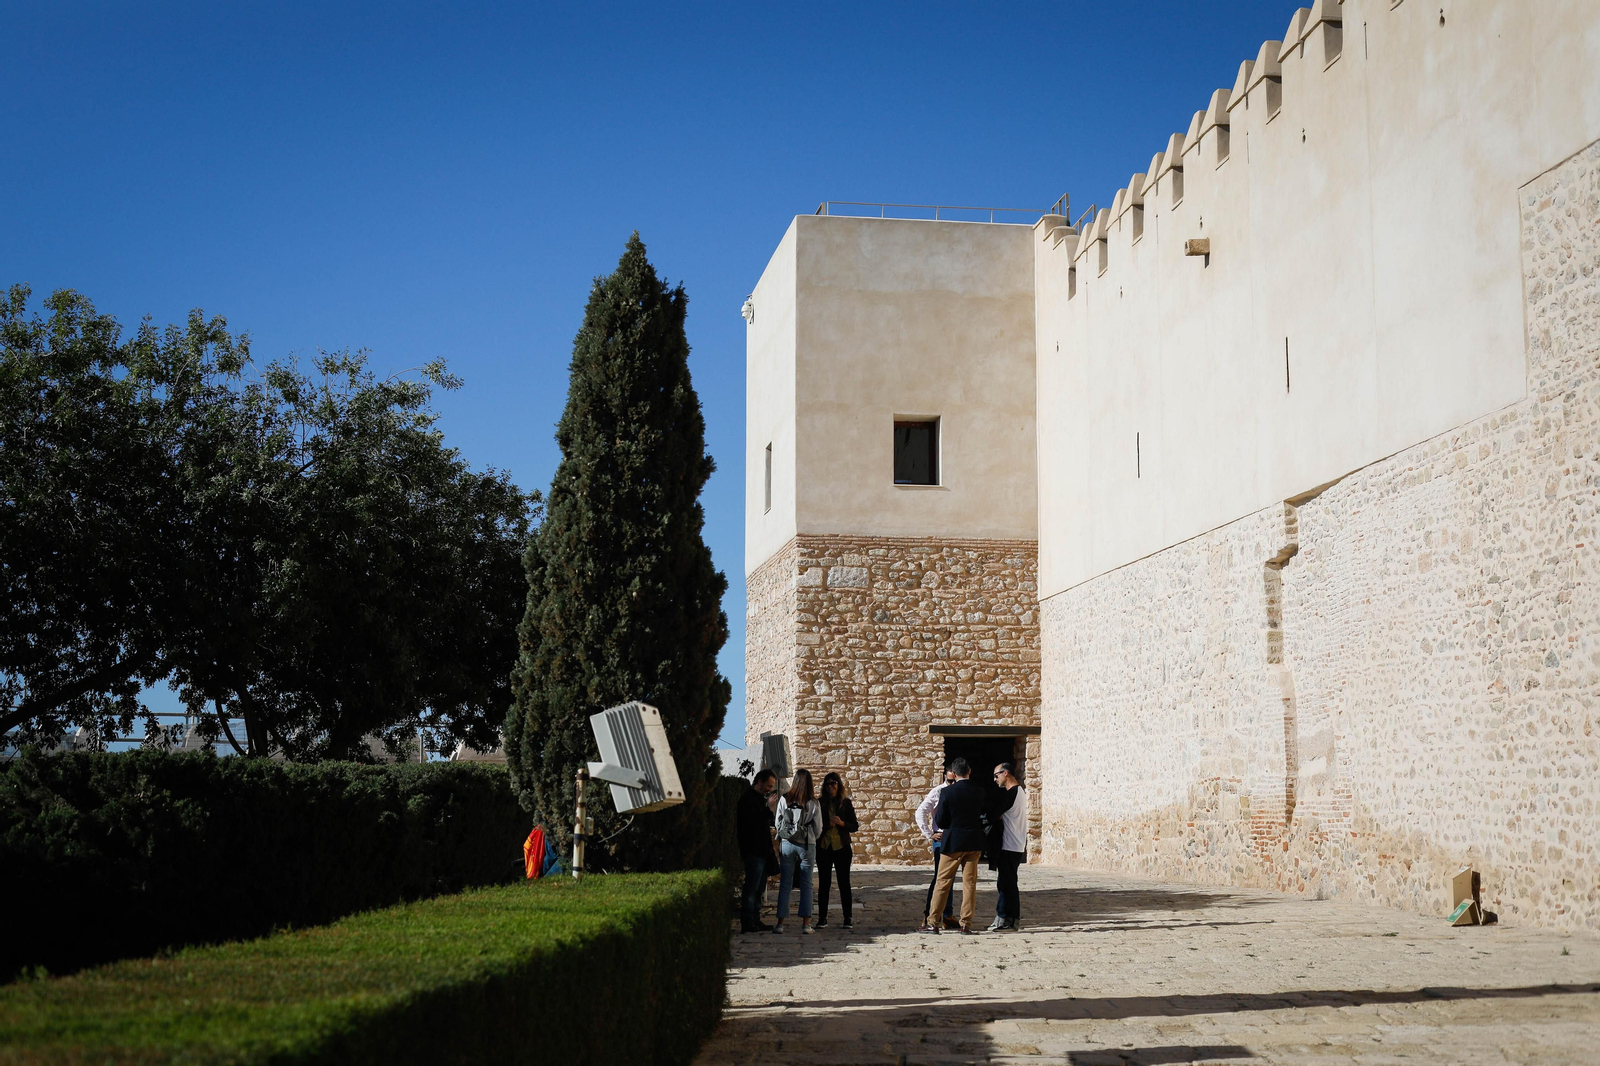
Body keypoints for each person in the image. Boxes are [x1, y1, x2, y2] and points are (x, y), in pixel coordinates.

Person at [921, 757, 987, 934]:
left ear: (954, 774)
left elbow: (941, 819)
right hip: (973, 841)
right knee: (970, 884)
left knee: (942, 882)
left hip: (952, 842)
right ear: (969, 771)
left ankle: (933, 921)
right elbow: (982, 814)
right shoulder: (979, 791)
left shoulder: (947, 792)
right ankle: (966, 923)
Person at [773, 768, 822, 934]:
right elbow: (818, 828)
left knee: (785, 883)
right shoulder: (813, 802)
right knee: (806, 883)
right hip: (807, 844)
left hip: (787, 843)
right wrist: (811, 837)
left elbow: (777, 821)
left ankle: (780, 923)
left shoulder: (784, 799)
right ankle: (806, 924)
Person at [915, 760, 958, 931]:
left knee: (951, 878)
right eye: (949, 781)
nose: (952, 785)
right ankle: (929, 914)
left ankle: (947, 915)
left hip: (955, 837)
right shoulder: (938, 791)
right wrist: (929, 834)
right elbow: (920, 812)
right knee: (940, 878)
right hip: (942, 838)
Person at [986, 761, 1028, 932]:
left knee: (1005, 884)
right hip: (1016, 845)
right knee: (1010, 884)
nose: (995, 779)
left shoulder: (1011, 794)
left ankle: (1004, 919)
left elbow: (992, 814)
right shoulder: (1020, 792)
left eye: (996, 775)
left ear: (1006, 773)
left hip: (1009, 845)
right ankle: (1012, 920)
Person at [814, 771, 859, 930]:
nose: (831, 786)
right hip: (824, 847)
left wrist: (841, 823)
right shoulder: (819, 804)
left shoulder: (845, 803)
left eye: (834, 783)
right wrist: (828, 825)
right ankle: (822, 918)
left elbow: (854, 826)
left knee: (844, 882)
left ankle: (848, 918)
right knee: (824, 883)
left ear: (838, 785)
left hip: (842, 847)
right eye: (828, 784)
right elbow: (815, 827)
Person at [736, 769, 779, 933]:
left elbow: (766, 822)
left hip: (763, 851)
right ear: (759, 782)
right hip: (752, 851)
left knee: (760, 888)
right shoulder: (747, 800)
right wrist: (768, 808)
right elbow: (753, 822)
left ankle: (756, 919)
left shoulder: (760, 800)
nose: (769, 789)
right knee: (751, 888)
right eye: (768, 785)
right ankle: (747, 922)